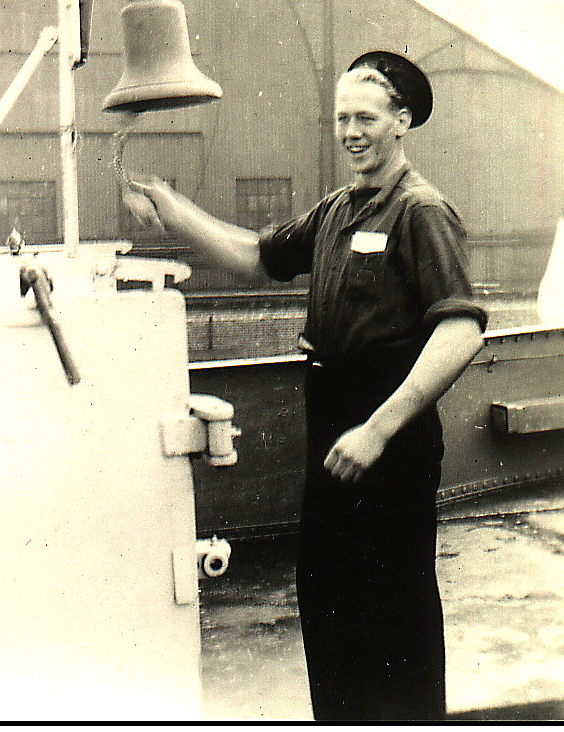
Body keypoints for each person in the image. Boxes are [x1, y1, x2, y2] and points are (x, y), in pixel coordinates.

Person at [122, 50, 487, 721]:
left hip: (387, 437)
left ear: (402, 120)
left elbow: (461, 331)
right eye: (342, 117)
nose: (350, 130)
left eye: (367, 117)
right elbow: (258, 256)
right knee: (329, 603)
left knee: (392, 619)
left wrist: (379, 430)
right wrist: (175, 211)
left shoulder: (421, 211)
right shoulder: (340, 209)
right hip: (333, 425)